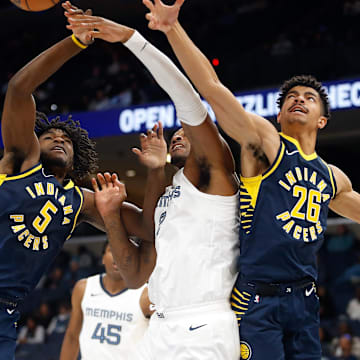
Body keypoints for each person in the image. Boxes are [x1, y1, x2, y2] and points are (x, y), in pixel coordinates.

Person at [139, 0, 360, 359]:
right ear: (279, 113)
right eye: (291, 97)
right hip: (257, 299)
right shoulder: (265, 143)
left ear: (322, 120)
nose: (299, 100)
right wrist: (171, 29)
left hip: (305, 298)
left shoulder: (332, 178)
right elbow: (211, 88)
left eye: (309, 98)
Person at [65, 2, 241, 359]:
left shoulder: (218, 176)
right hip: (160, 327)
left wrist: (133, 39)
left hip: (203, 326)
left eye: (186, 134)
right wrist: (115, 209)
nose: (178, 134)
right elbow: (133, 274)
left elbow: (189, 101)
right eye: (176, 133)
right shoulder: (169, 203)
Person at [0, 6, 161, 358]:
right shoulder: (20, 162)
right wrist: (76, 41)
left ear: (77, 158)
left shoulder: (82, 202)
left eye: (67, 140)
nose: (59, 139)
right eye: (50, 136)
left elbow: (149, 229)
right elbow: (19, 88)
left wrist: (155, 170)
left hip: (6, 312)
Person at [59, 241, 152, 360]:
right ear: (102, 258)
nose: (119, 256)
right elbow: (72, 336)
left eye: (127, 252)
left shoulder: (148, 295)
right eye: (112, 251)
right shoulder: (84, 288)